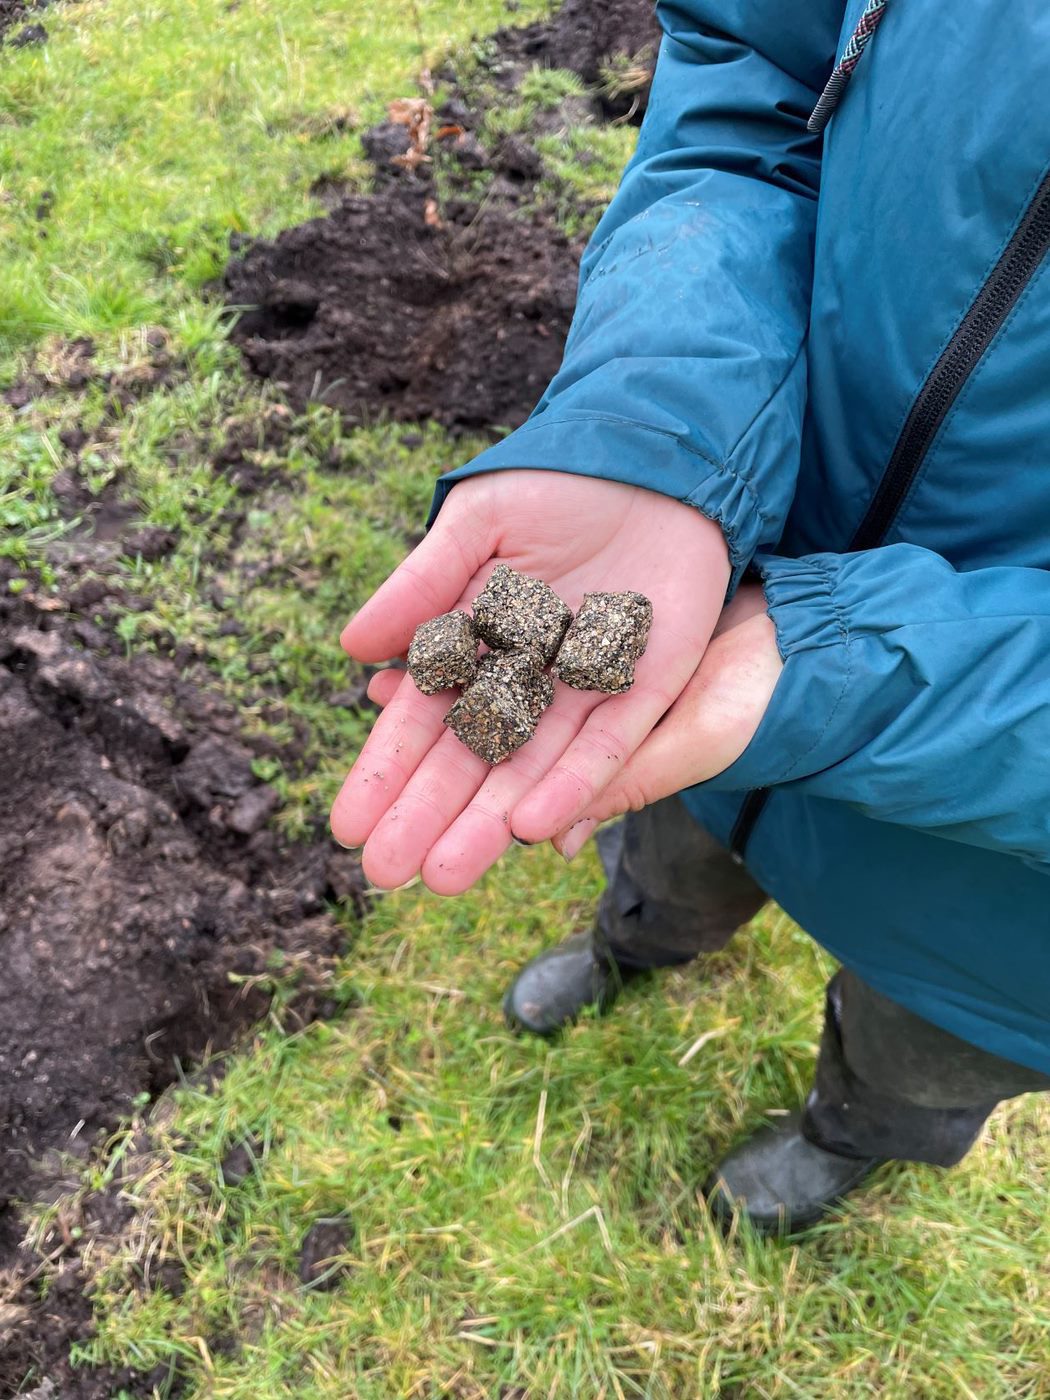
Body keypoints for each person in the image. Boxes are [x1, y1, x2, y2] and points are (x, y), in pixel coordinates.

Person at [331, 0, 1050, 1234]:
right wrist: (659, 426)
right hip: (708, 618)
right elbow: (756, 65)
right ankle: (636, 943)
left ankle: (850, 1135)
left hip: (1004, 918)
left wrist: (841, 663)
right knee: (667, 856)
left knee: (924, 1046)